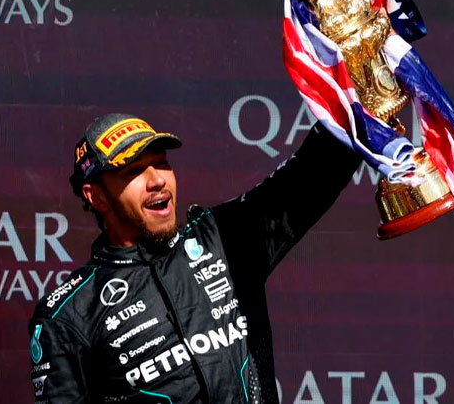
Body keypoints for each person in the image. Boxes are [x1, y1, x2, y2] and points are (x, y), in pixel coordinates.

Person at [28, 113, 360, 403]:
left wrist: (363, 101)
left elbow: (311, 174)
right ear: (97, 196)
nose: (157, 180)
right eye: (135, 171)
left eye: (161, 163)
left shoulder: (225, 239)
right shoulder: (68, 316)